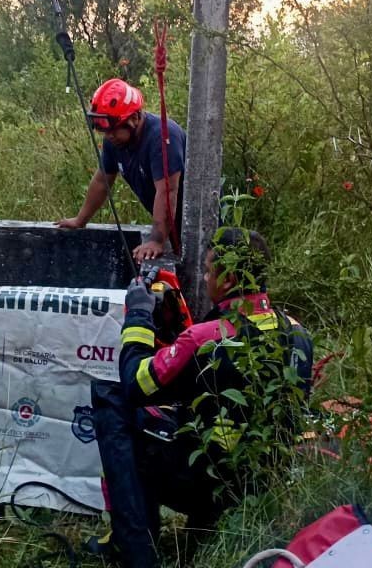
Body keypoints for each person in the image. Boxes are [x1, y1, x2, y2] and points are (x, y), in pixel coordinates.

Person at [88, 228, 314, 567]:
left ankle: (135, 549)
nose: (206, 278)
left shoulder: (203, 338)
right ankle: (206, 532)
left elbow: (137, 385)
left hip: (205, 480)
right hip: (263, 481)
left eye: (208, 270)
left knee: (112, 401)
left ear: (230, 278)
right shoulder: (298, 332)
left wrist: (137, 315)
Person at [57, 78, 186, 262]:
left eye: (114, 130)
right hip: (172, 226)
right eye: (105, 132)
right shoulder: (114, 141)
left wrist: (156, 241)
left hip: (201, 225)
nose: (109, 136)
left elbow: (167, 191)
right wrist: (80, 220)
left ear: (134, 118)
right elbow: (102, 181)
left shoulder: (163, 137)